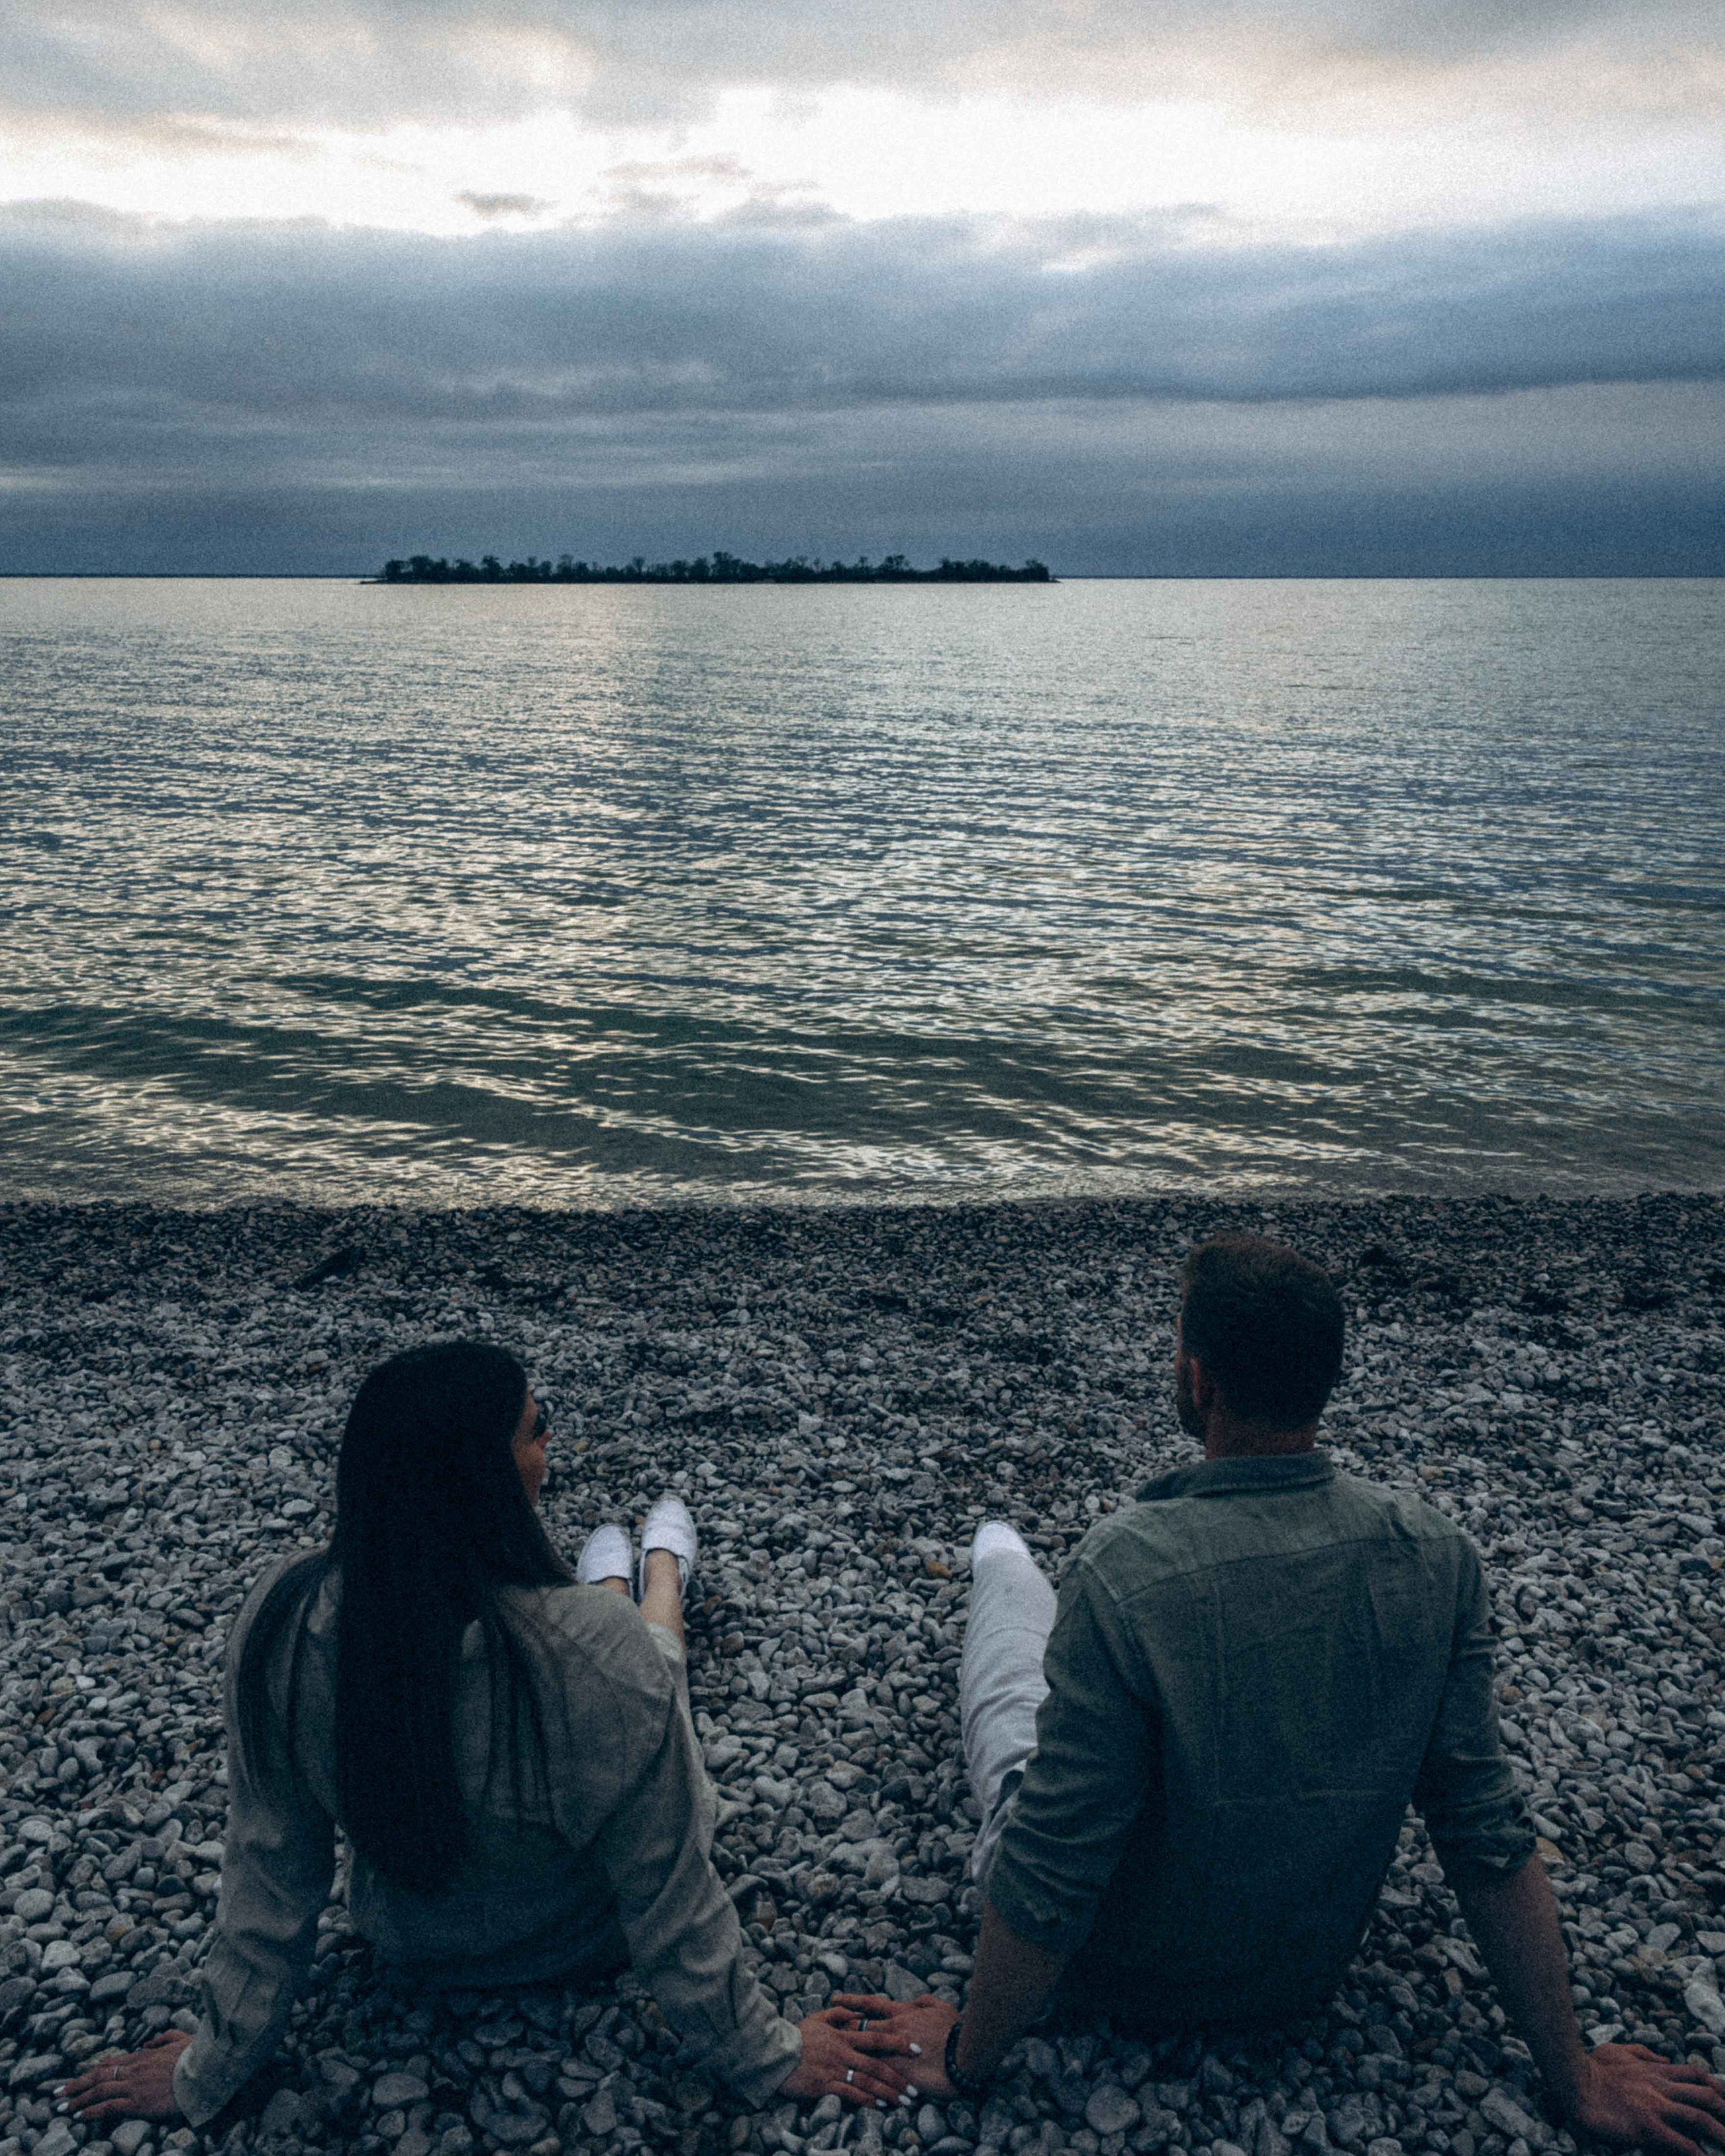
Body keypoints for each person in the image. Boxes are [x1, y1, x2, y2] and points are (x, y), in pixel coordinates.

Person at [837, 1235, 1725, 2156]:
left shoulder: (1126, 1564)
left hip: (1122, 1976)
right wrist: (1572, 2074)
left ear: (1199, 1377)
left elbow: (1054, 1861)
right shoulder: (1434, 1553)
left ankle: (997, 1551)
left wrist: (968, 2053)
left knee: (1010, 1700)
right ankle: (1002, 1555)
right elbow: (1483, 1828)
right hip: (1299, 1975)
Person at [61, 1341, 910, 2132]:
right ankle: (658, 1568)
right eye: (538, 1429)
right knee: (652, 1652)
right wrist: (765, 2056)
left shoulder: (284, 1619)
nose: (551, 1444)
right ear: (485, 1476)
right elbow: (667, 1888)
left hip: (407, 1945)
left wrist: (209, 2068)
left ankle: (630, 1566)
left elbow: (270, 1869)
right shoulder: (593, 1655)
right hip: (583, 1942)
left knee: (615, 1646)